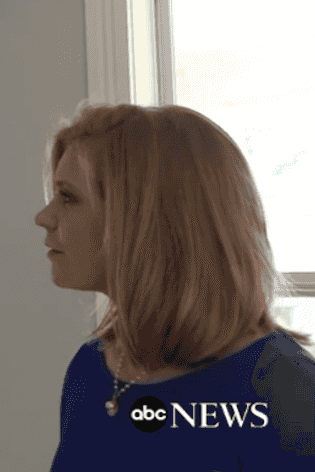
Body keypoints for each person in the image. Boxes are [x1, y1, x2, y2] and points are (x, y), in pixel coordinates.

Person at [39, 102, 315, 470]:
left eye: (68, 197)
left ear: (147, 218)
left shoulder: (284, 393)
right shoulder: (91, 369)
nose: (43, 217)